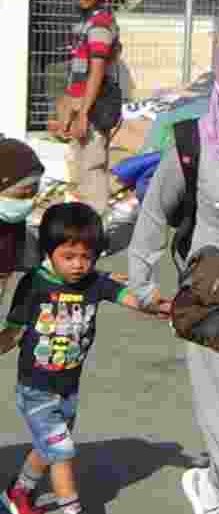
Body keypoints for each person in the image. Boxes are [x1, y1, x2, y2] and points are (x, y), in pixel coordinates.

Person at [126, 31, 219, 514]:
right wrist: (142, 280)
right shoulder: (195, 141)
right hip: (210, 303)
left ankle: (217, 489)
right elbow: (155, 213)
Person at [0, 202, 156, 514]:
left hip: (68, 386)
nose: (78, 265)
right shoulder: (34, 284)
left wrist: (156, 305)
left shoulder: (93, 282)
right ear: (48, 251)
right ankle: (72, 509)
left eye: (87, 257)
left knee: (49, 448)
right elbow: (14, 331)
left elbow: (124, 295)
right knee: (62, 451)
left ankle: (18, 492)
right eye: (68, 257)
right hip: (36, 387)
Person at [54, 0, 121, 216]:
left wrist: (83, 113)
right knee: (78, 163)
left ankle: (95, 229)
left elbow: (97, 71)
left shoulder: (100, 24)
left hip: (93, 104)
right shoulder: (86, 21)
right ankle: (82, 223)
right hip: (82, 101)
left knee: (92, 166)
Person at [0, 140, 45, 305]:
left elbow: (10, 258)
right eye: (21, 194)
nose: (28, 201)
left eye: (33, 191)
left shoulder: (13, 220)